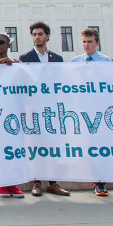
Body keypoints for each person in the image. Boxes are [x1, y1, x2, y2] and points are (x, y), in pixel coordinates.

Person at [18, 22, 70, 197]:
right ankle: (37, 182)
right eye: (34, 34)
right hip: (34, 110)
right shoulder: (24, 58)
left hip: (53, 109)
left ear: (47, 36)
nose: (37, 37)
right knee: (36, 146)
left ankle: (53, 182)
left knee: (53, 146)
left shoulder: (57, 59)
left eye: (40, 34)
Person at [71, 28, 112, 196]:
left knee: (100, 145)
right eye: (84, 42)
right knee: (85, 145)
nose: (86, 45)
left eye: (90, 42)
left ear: (97, 43)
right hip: (82, 109)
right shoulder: (74, 62)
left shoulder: (106, 61)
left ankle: (100, 181)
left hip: (100, 110)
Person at [0, 33, 24, 198]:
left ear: (9, 45)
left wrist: (11, 67)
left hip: (13, 112)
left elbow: (24, 81)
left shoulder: (18, 63)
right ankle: (1, 184)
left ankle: (12, 184)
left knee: (13, 150)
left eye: (2, 42)